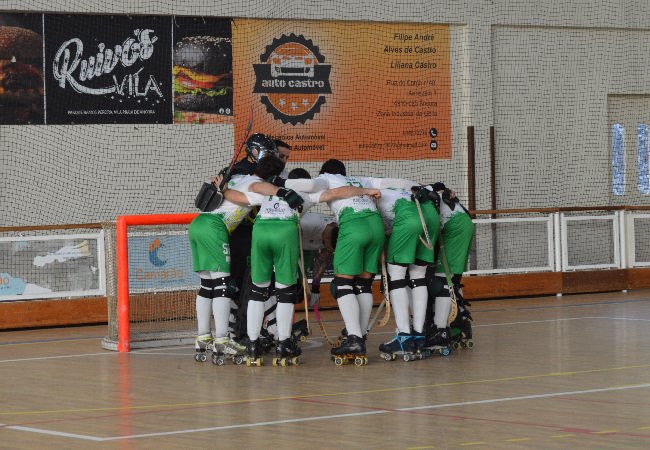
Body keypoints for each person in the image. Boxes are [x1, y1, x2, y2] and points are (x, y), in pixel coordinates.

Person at [279, 159, 414, 362]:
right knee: (363, 285)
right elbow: (394, 182)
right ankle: (360, 335)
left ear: (324, 172)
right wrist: (420, 187)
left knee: (343, 283)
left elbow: (309, 185)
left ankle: (354, 338)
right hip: (376, 227)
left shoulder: (326, 178)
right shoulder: (360, 179)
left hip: (353, 225)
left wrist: (278, 184)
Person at [375, 185, 440, 358]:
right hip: (432, 217)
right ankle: (419, 335)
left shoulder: (372, 193)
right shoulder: (404, 188)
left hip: (409, 219)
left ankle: (404, 336)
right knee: (418, 277)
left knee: (396, 276)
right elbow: (435, 188)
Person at [426, 183, 475, 350]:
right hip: (460, 224)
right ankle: (458, 324)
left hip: (455, 227)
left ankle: (441, 330)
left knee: (441, 281)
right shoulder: (429, 192)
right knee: (452, 280)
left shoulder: (420, 195)